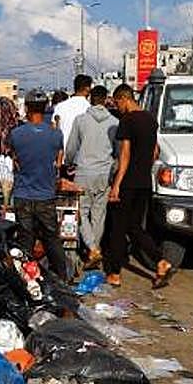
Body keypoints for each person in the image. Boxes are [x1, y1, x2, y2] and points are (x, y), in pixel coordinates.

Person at [105, 85, 175, 288]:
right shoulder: (151, 120)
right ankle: (161, 262)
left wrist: (116, 185)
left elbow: (124, 156)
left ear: (124, 99)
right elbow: (155, 152)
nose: (117, 108)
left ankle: (115, 274)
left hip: (127, 182)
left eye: (117, 103)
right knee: (135, 227)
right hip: (145, 182)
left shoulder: (127, 121)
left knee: (118, 229)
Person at [9, 91, 68, 280]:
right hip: (46, 196)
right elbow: (58, 162)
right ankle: (62, 279)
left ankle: (26, 281)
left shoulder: (16, 134)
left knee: (25, 242)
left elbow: (15, 162)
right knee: (52, 240)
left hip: (23, 195)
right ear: (45, 109)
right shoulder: (56, 134)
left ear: (26, 108)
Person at [65, 85, 117, 267]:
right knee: (99, 215)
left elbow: (71, 148)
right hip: (105, 174)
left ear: (90, 99)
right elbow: (117, 151)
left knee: (80, 213)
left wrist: (68, 162)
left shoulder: (80, 120)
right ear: (105, 99)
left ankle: (93, 249)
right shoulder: (114, 122)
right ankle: (94, 250)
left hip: (84, 173)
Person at [53, 74, 92, 144]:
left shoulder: (60, 106)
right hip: (82, 152)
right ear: (87, 88)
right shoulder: (90, 109)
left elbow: (54, 129)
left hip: (63, 151)